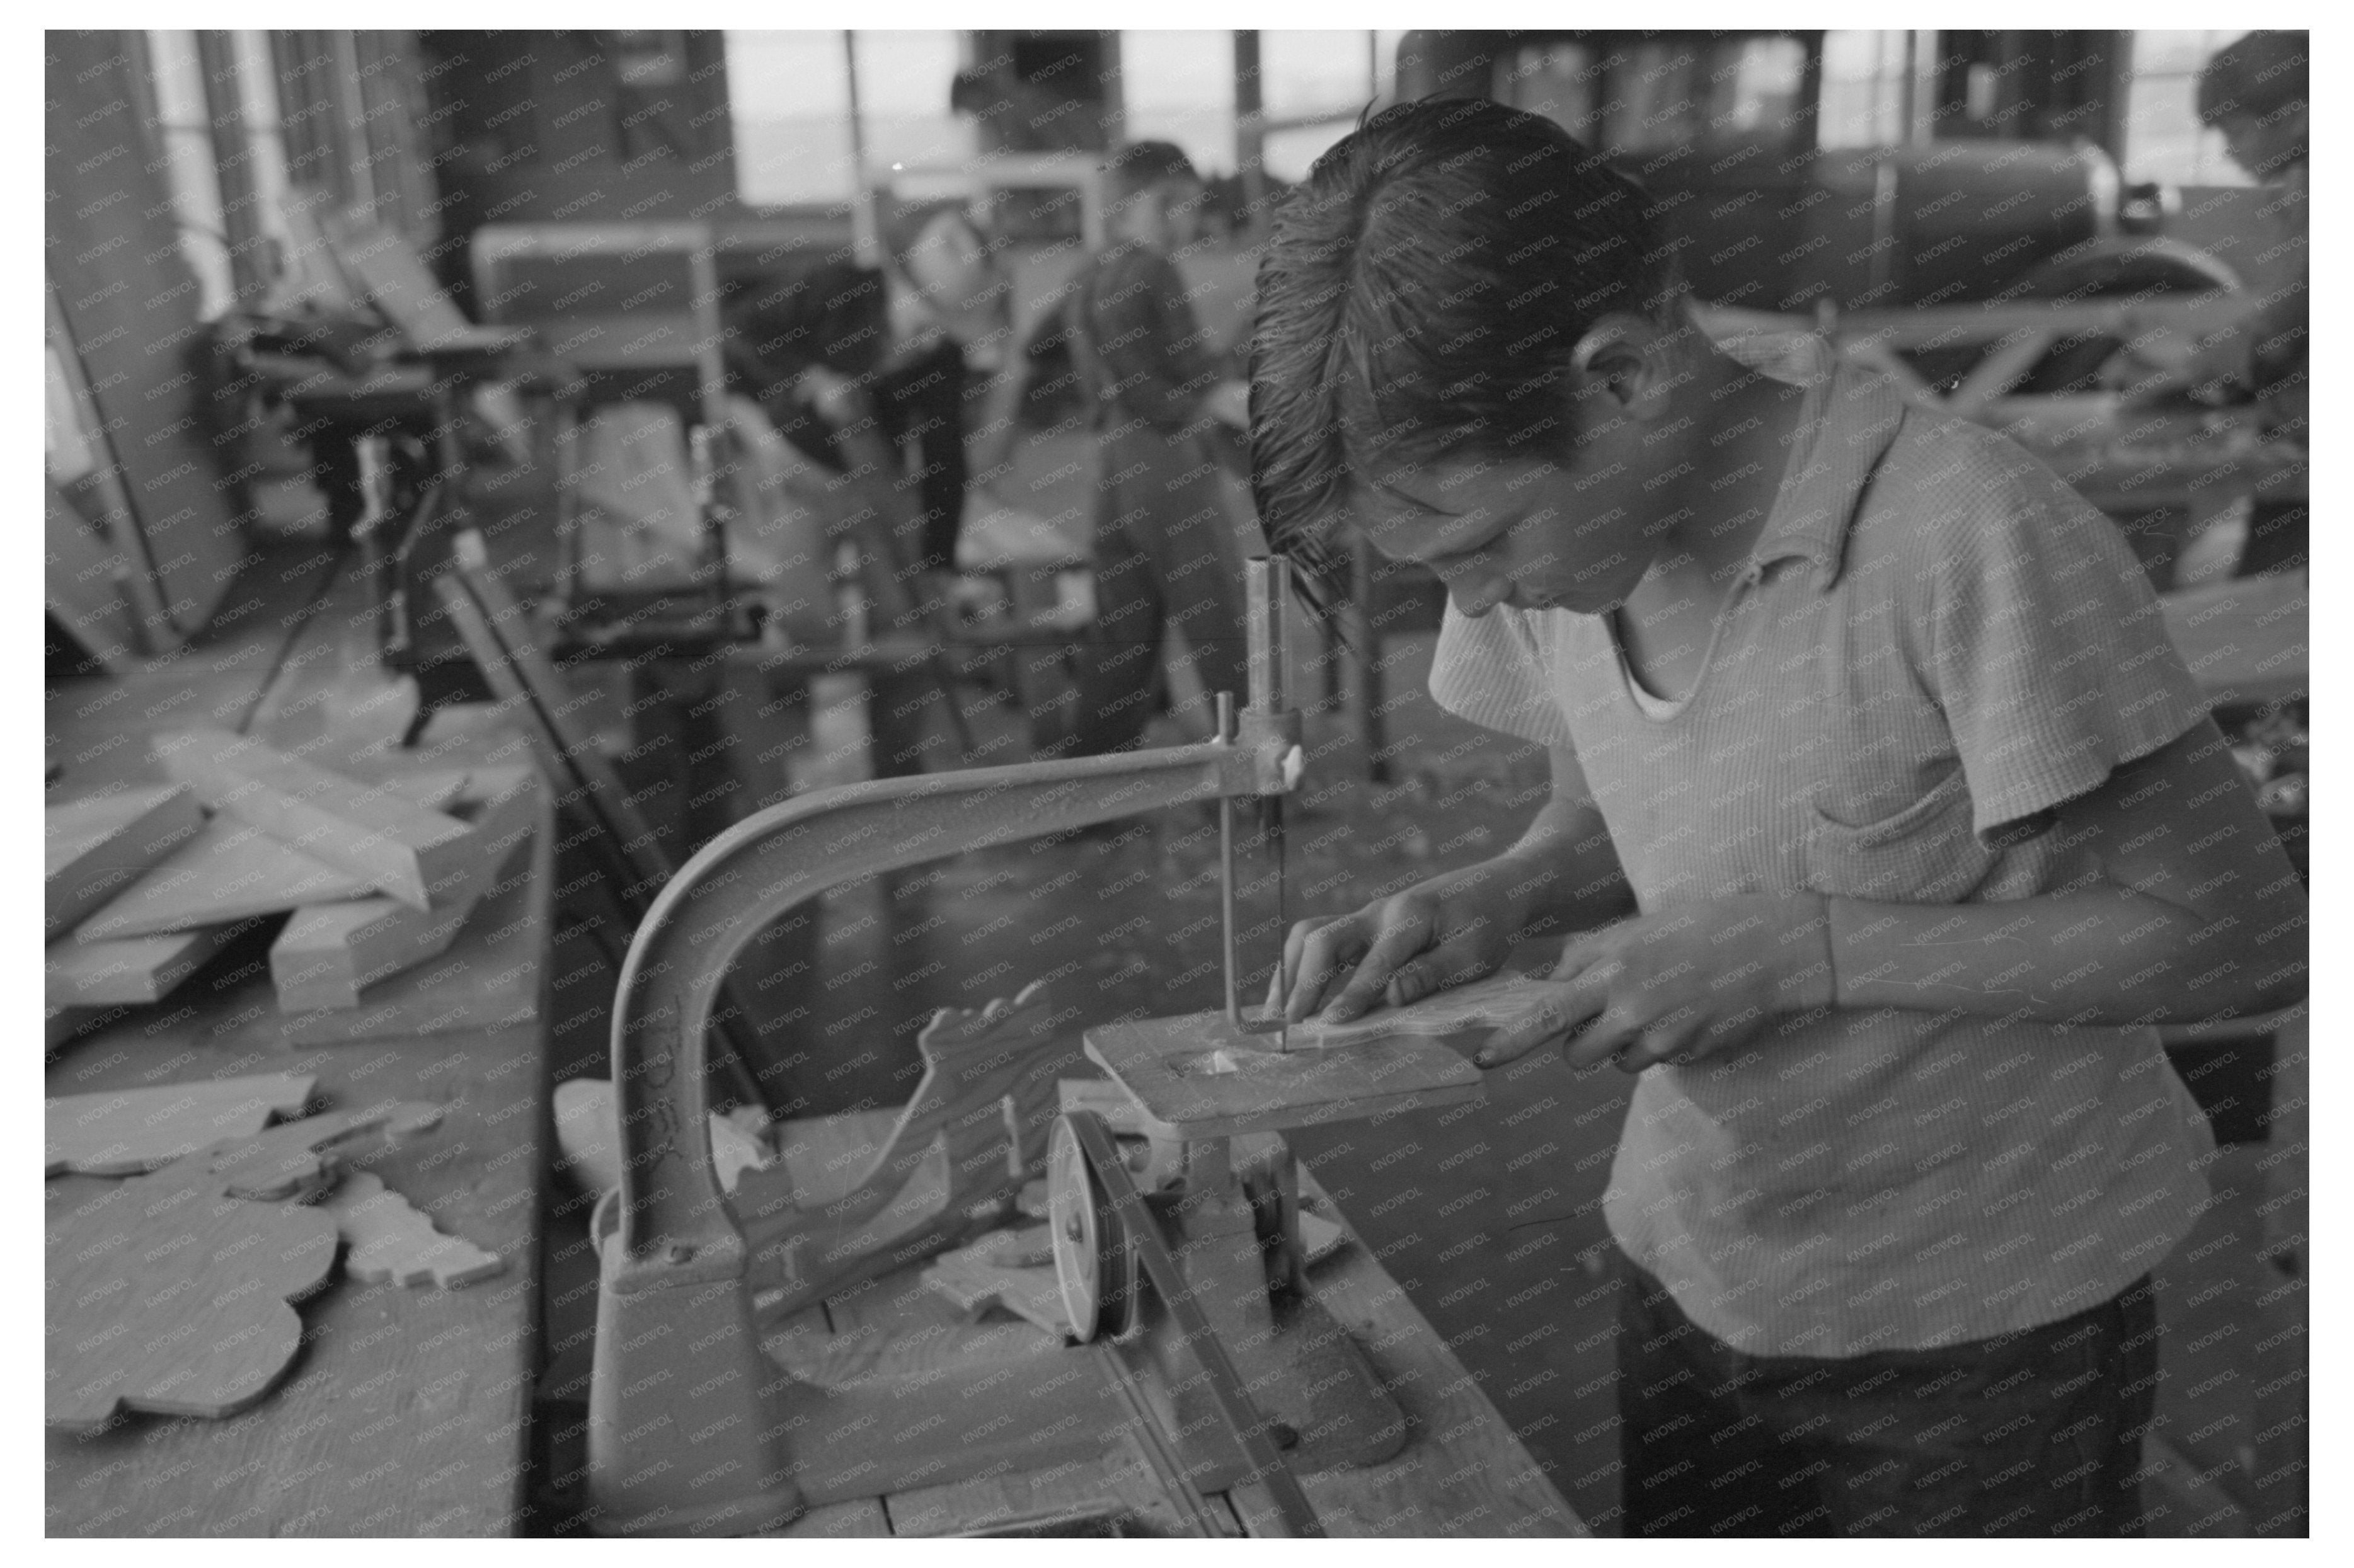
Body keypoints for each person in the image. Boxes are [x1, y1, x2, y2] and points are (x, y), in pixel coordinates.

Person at [1250, 100, 2304, 1537]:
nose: (1476, 601)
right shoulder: (1578, 544)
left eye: (1483, 542)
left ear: (1619, 376)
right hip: (1698, 1265)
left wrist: (1797, 951)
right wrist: (1499, 894)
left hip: (1985, 1331)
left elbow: (2239, 939)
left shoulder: (1959, 532)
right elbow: (1608, 814)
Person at [1045, 140, 1255, 757]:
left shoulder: (1087, 276)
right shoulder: (1154, 271)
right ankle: (1259, 779)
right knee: (1217, 622)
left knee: (1122, 635)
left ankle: (1088, 787)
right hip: (1167, 461)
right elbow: (1196, 383)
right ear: (1159, 203)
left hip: (1113, 464)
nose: (1192, 222)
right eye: (1186, 206)